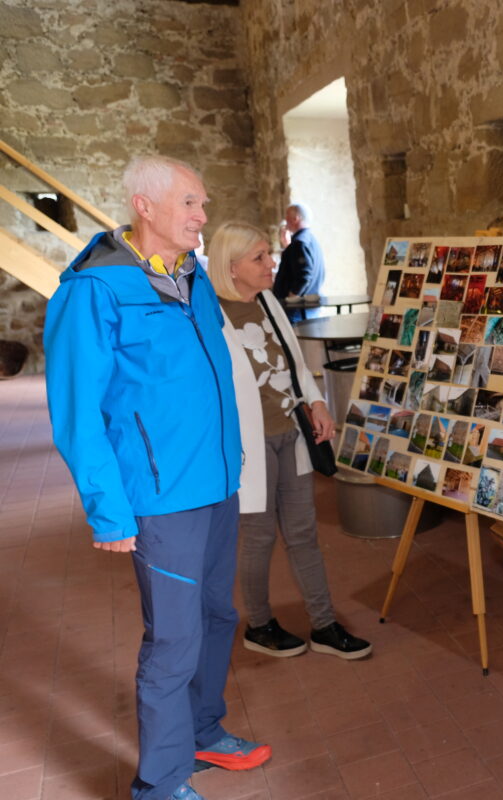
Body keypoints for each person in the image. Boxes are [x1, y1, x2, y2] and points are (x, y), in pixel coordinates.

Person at [44, 156, 269, 800]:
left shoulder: (191, 274)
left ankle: (203, 731)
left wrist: (233, 459)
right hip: (161, 497)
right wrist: (108, 510)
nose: (203, 217)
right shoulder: (95, 289)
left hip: (216, 483)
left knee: (218, 615)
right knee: (174, 640)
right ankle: (160, 783)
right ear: (146, 207)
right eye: (191, 205)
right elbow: (77, 410)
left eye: (203, 203)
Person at [208, 220, 372, 660]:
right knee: (258, 538)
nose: (271, 263)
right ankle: (259, 625)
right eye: (259, 257)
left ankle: (324, 625)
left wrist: (316, 401)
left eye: (269, 253)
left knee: (303, 534)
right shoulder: (207, 315)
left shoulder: (268, 302)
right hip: (249, 445)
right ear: (232, 266)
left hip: (291, 434)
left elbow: (295, 366)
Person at [273, 202, 325, 321]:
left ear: (295, 218)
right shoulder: (310, 239)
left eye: (287, 216)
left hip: (298, 310)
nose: (285, 220)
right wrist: (287, 246)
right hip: (308, 308)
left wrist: (291, 299)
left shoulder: (299, 243)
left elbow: (304, 276)